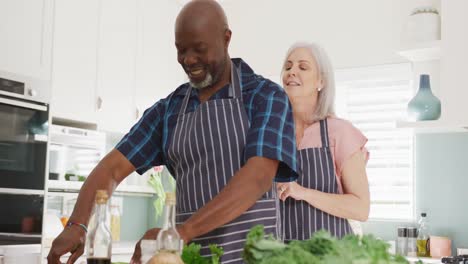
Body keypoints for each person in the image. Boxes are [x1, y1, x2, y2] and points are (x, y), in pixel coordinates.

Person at [46, 1, 297, 263]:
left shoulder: (266, 97)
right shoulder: (169, 111)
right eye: (181, 50)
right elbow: (111, 169)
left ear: (226, 39)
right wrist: (77, 224)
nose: (188, 60)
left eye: (199, 49)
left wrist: (182, 232)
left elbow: (257, 177)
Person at [276, 42, 370, 242]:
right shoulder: (273, 133)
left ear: (321, 81)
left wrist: (303, 193)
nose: (292, 72)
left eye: (302, 67)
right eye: (288, 66)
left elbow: (361, 209)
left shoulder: (340, 133)